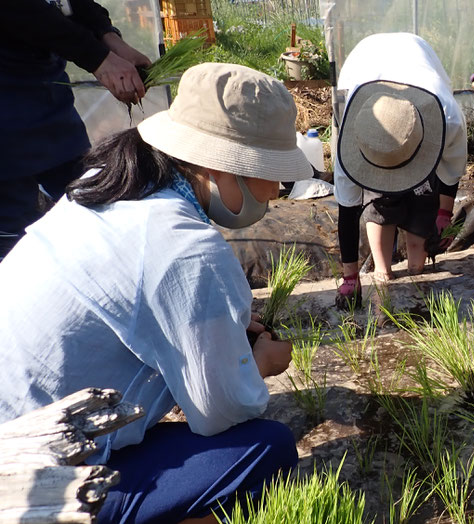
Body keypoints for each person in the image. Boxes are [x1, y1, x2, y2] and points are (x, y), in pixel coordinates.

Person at [0, 63, 313, 523]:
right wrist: (258, 364)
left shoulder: (105, 185)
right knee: (267, 448)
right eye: (270, 174)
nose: (275, 191)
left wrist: (221, 331)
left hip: (13, 420)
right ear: (216, 166)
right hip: (27, 479)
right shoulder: (185, 247)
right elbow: (218, 410)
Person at [1, 0, 150, 260]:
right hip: (6, 108)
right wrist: (100, 59)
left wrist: (109, 37)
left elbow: (68, 3)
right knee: (13, 233)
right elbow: (21, 10)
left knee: (90, 200)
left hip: (45, 93)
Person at [333, 33, 466, 309]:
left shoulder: (447, 118)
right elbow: (347, 209)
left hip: (416, 64)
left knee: (422, 204)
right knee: (380, 206)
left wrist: (444, 213)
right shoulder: (353, 131)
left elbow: (451, 171)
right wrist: (350, 277)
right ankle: (383, 271)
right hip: (364, 63)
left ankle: (416, 272)